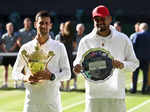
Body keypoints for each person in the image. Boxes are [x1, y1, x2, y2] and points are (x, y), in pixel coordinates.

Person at [73, 5, 139, 112]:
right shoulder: (86, 40)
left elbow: (134, 63)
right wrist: (76, 67)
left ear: (110, 19)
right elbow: (78, 62)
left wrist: (123, 65)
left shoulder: (123, 39)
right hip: (93, 95)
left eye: (102, 18)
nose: (100, 22)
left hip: (116, 95)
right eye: (96, 19)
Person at [12, 10, 71, 112]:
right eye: (41, 23)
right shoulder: (26, 47)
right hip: (31, 104)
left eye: (46, 23)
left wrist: (51, 76)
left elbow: (67, 74)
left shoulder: (59, 47)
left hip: (52, 104)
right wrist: (26, 77)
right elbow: (15, 73)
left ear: (51, 26)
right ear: (35, 24)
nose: (44, 26)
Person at [130, 22, 150, 94]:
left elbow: (132, 47)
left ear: (140, 28)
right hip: (146, 59)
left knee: (135, 74)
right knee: (145, 75)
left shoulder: (136, 35)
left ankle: (134, 89)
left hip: (137, 58)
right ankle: (144, 90)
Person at [16, 17, 36, 88]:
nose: (27, 24)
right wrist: (23, 49)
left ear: (30, 23)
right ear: (24, 23)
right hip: (23, 53)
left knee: (30, 68)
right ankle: (22, 82)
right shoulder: (20, 31)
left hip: (31, 53)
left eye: (29, 22)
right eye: (26, 22)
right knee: (21, 67)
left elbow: (34, 41)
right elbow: (18, 41)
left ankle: (29, 81)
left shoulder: (33, 32)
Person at [0, 22, 18, 88]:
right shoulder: (4, 36)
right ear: (6, 28)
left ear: (13, 28)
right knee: (6, 70)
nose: (10, 28)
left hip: (13, 55)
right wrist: (6, 51)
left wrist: (11, 50)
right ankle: (5, 83)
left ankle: (15, 83)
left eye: (11, 27)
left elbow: (16, 43)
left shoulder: (16, 36)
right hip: (6, 55)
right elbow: (2, 45)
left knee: (15, 69)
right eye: (9, 27)